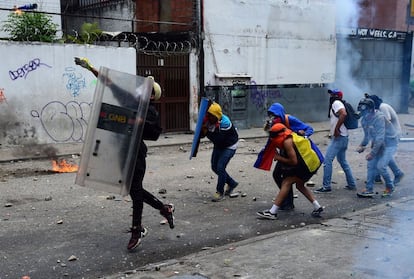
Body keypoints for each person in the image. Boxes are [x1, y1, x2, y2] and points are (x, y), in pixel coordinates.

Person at [74, 57, 175, 251]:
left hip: (136, 154)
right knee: (133, 189)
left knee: (135, 191)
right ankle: (164, 208)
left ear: (152, 96)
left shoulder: (151, 112)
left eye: (147, 88)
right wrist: (91, 68)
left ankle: (137, 230)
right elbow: (110, 84)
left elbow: (155, 133)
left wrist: (139, 123)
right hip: (123, 151)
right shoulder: (129, 100)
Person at [256, 123, 324, 220]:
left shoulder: (287, 142)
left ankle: (272, 212)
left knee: (286, 182)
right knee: (299, 185)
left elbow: (293, 161)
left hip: (306, 165)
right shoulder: (289, 135)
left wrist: (278, 157)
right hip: (311, 162)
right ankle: (317, 207)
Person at [264, 102, 314, 210]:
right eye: (271, 115)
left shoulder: (289, 120)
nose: (273, 118)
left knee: (286, 178)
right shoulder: (272, 124)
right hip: (284, 152)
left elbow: (309, 129)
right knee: (278, 175)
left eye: (275, 115)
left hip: (295, 154)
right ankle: (287, 201)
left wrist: (302, 134)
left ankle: (287, 203)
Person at [314, 89, 357, 193]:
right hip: (344, 137)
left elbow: (343, 114)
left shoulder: (336, 103)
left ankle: (326, 186)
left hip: (339, 137)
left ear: (337, 96)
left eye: (333, 94)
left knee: (327, 160)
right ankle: (352, 184)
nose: (331, 96)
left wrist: (337, 129)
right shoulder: (338, 103)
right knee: (343, 161)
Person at [356, 98, 399, 197]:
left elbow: (380, 137)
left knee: (381, 166)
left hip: (390, 143)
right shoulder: (364, 120)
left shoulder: (379, 118)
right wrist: (362, 145)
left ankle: (390, 188)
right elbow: (367, 136)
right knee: (371, 165)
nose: (363, 114)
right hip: (379, 143)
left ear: (371, 110)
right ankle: (369, 189)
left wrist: (372, 153)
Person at [200, 101, 239, 202]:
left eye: (211, 116)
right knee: (214, 167)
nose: (209, 117)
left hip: (229, 146)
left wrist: (206, 131)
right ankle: (232, 183)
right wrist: (202, 131)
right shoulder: (208, 120)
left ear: (216, 116)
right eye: (208, 115)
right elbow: (201, 135)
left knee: (220, 167)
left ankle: (220, 192)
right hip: (219, 145)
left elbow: (218, 139)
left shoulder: (225, 124)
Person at [365, 94, 404, 185]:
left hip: (391, 135)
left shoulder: (383, 107)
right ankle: (395, 173)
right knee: (383, 155)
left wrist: (377, 141)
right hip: (385, 136)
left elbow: (385, 122)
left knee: (382, 157)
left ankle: (385, 178)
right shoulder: (378, 109)